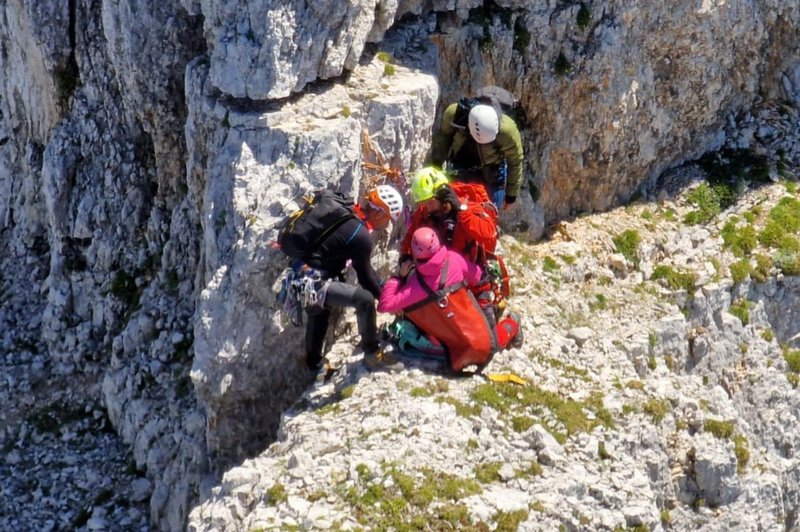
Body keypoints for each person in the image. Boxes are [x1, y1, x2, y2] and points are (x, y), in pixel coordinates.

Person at [300, 185, 405, 379]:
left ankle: (314, 367)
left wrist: (385, 290)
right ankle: (372, 354)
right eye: (387, 218)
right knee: (364, 299)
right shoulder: (360, 235)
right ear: (378, 211)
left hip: (302, 274)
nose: (386, 224)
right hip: (314, 281)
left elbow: (366, 270)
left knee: (320, 312)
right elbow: (365, 278)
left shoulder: (351, 216)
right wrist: (390, 302)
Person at [379, 228, 522, 369]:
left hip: (447, 334)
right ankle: (512, 322)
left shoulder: (415, 286)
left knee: (483, 347)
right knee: (491, 345)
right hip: (468, 320)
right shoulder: (453, 258)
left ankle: (512, 320)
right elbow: (478, 276)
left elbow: (385, 305)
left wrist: (398, 276)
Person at [429, 97, 524, 209]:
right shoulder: (455, 115)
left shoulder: (508, 132)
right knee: (455, 210)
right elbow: (444, 139)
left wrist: (510, 196)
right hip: (460, 166)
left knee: (488, 213)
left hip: (492, 172)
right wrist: (436, 167)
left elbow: (515, 162)